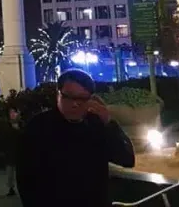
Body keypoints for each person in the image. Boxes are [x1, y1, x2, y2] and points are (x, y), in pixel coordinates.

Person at [16, 69, 135, 207]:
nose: (75, 104)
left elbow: (127, 159)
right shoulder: (38, 127)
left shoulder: (96, 125)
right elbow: (26, 180)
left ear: (91, 100)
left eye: (82, 99)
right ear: (58, 94)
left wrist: (109, 123)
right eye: (68, 97)